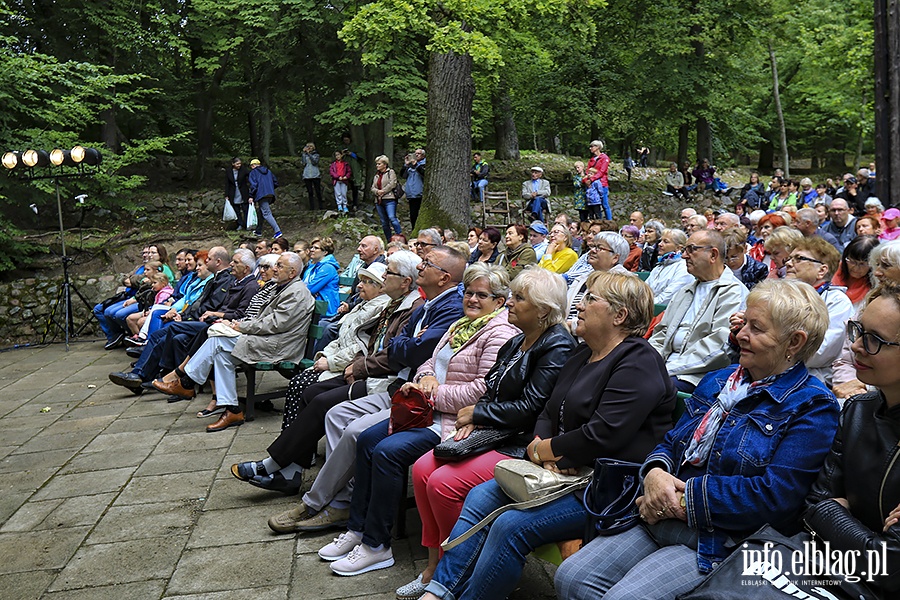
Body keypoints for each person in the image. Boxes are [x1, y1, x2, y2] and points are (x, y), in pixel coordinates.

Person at [556, 279, 841, 600]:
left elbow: (776, 497)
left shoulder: (812, 405)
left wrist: (679, 501)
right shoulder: (719, 380)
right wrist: (655, 472)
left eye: (756, 328)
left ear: (794, 342)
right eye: (743, 322)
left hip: (723, 539)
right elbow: (670, 443)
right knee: (572, 577)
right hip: (661, 515)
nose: (741, 334)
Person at [420, 272, 677, 600]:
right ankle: (440, 591)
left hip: (606, 488)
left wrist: (547, 452)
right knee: (481, 497)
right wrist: (540, 448)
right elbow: (546, 411)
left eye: (590, 299)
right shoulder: (584, 353)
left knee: (510, 526)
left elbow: (603, 434)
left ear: (619, 315)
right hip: (561, 472)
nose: (578, 307)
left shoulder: (639, 362)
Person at [318, 264, 519, 576]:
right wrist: (425, 377)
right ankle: (358, 530)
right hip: (428, 412)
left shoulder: (500, 334)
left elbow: (483, 389)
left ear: (500, 301)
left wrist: (432, 395)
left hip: (453, 423)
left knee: (387, 451)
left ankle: (377, 546)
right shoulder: (462, 325)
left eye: (482, 294)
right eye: (469, 292)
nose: (473, 299)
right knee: (367, 439)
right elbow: (427, 360)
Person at [396, 268, 578, 598]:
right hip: (495, 431)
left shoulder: (558, 346)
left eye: (519, 298)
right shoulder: (516, 340)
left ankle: (463, 571)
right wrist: (472, 419)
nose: (509, 301)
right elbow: (492, 389)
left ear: (543, 309)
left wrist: (478, 414)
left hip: (521, 442)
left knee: (444, 484)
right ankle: (433, 566)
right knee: (423, 468)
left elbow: (533, 407)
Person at [235, 248, 465, 494]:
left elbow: (407, 352)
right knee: (307, 390)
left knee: (321, 400)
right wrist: (341, 358)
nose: (378, 279)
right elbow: (386, 344)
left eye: (387, 273)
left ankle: (314, 480)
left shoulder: (420, 306)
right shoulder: (414, 305)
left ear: (405, 282)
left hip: (385, 379)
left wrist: (358, 365)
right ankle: (293, 469)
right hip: (371, 370)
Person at [803, 283, 900, 600]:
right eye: (858, 331)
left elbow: (891, 567)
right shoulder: (858, 411)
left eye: (874, 340)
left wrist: (832, 514)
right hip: (834, 578)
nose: (856, 346)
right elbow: (812, 508)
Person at [154, 252, 314, 432]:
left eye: (279, 266)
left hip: (279, 346)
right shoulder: (282, 287)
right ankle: (232, 410)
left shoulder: (296, 292)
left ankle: (187, 383)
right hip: (266, 338)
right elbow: (264, 319)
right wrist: (240, 324)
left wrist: (242, 327)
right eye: (275, 265)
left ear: (292, 273)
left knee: (217, 340)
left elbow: (276, 323)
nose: (274, 269)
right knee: (222, 356)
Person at [280, 263, 390, 428]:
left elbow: (361, 347)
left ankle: (296, 444)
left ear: (381, 288)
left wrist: (330, 362)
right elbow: (340, 338)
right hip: (337, 361)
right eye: (361, 280)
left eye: (366, 281)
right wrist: (324, 356)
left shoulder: (380, 308)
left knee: (303, 386)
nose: (359, 285)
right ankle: (290, 442)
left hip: (349, 367)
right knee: (297, 383)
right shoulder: (362, 305)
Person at [648, 229, 748, 393]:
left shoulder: (734, 293)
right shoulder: (685, 291)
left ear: (713, 255)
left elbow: (719, 347)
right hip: (663, 367)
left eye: (691, 249)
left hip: (697, 375)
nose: (684, 256)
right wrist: (646, 364)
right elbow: (661, 333)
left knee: (648, 387)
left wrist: (664, 370)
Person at [779, 236, 853, 386]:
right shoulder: (779, 295)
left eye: (798, 258)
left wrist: (773, 348)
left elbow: (820, 352)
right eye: (789, 258)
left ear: (822, 270)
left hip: (812, 380)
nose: (788, 263)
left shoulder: (837, 301)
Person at [645, 229, 694, 305]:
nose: (660, 244)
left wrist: (643, 305)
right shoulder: (659, 266)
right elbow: (644, 290)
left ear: (678, 248)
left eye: (666, 241)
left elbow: (667, 298)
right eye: (661, 241)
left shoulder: (684, 268)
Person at [832, 235, 880, 310]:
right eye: (852, 262)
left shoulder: (876, 286)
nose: (856, 268)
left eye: (862, 264)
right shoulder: (832, 272)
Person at [302, 237, 341, 318]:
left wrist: (310, 290)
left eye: (316, 248)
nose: (312, 250)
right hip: (312, 305)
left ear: (325, 252)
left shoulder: (327, 268)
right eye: (311, 247)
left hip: (325, 310)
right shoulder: (312, 266)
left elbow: (310, 289)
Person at [247, 158, 282, 238]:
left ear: (253, 165)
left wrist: (251, 195)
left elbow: (253, 185)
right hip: (270, 194)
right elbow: (275, 182)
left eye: (251, 166)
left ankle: (277, 231)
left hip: (261, 194)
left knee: (266, 213)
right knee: (261, 212)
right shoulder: (268, 171)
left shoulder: (253, 172)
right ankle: (258, 231)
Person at [371, 155, 402, 241]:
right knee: (384, 222)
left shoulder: (390, 172)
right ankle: (389, 240)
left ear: (385, 164)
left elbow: (393, 183)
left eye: (379, 164)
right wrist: (377, 191)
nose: (377, 166)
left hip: (389, 199)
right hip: (379, 201)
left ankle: (400, 236)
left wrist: (383, 191)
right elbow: (372, 187)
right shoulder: (376, 175)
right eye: (377, 164)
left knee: (392, 218)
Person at [583, 141, 611, 220]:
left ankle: (610, 222)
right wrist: (585, 180)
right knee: (593, 206)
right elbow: (587, 171)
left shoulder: (604, 158)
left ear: (597, 147)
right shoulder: (591, 160)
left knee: (605, 204)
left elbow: (602, 171)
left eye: (592, 146)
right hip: (591, 186)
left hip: (602, 184)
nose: (590, 148)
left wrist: (591, 179)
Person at [401, 148, 426, 228]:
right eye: (415, 154)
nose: (416, 155)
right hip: (411, 194)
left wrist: (416, 165)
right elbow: (402, 175)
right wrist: (406, 164)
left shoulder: (424, 164)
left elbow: (424, 174)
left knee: (418, 214)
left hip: (420, 194)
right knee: (413, 215)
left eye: (418, 154)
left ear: (423, 155)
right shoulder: (410, 166)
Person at [341, 132, 364, 212]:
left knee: (355, 188)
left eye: (347, 140)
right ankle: (344, 204)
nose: (346, 142)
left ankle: (355, 204)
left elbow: (361, 157)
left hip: (354, 170)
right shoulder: (341, 147)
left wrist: (351, 154)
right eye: (345, 140)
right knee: (344, 188)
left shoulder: (355, 147)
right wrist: (343, 154)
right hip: (344, 170)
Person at [225, 157, 251, 229]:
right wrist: (226, 194)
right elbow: (227, 183)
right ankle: (240, 223)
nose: (239, 165)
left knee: (245, 208)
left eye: (240, 163)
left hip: (243, 191)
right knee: (236, 209)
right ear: (233, 164)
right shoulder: (229, 171)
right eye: (237, 164)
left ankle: (247, 224)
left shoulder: (244, 170)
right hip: (233, 191)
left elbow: (250, 176)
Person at [301, 142, 322, 210]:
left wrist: (309, 154)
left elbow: (314, 162)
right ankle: (311, 207)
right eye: (307, 146)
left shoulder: (316, 154)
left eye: (310, 147)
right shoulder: (305, 155)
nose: (308, 148)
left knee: (318, 191)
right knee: (310, 192)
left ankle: (320, 206)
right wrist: (304, 154)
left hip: (315, 174)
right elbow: (303, 163)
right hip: (307, 174)